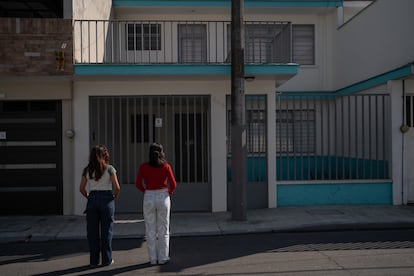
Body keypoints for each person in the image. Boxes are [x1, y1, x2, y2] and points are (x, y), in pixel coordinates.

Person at [136, 143, 177, 265]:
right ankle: (163, 257)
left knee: (150, 229)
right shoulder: (166, 166)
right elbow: (173, 184)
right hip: (163, 195)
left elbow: (138, 184)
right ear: (162, 153)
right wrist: (168, 193)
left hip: (149, 195)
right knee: (163, 229)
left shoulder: (143, 167)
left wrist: (147, 192)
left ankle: (153, 258)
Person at [79, 145, 120, 267]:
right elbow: (117, 187)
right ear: (104, 155)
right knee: (106, 231)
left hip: (92, 199)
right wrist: (113, 197)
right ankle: (107, 259)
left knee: (92, 232)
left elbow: (81, 189)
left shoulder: (87, 170)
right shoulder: (110, 169)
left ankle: (94, 260)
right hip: (107, 199)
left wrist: (89, 197)